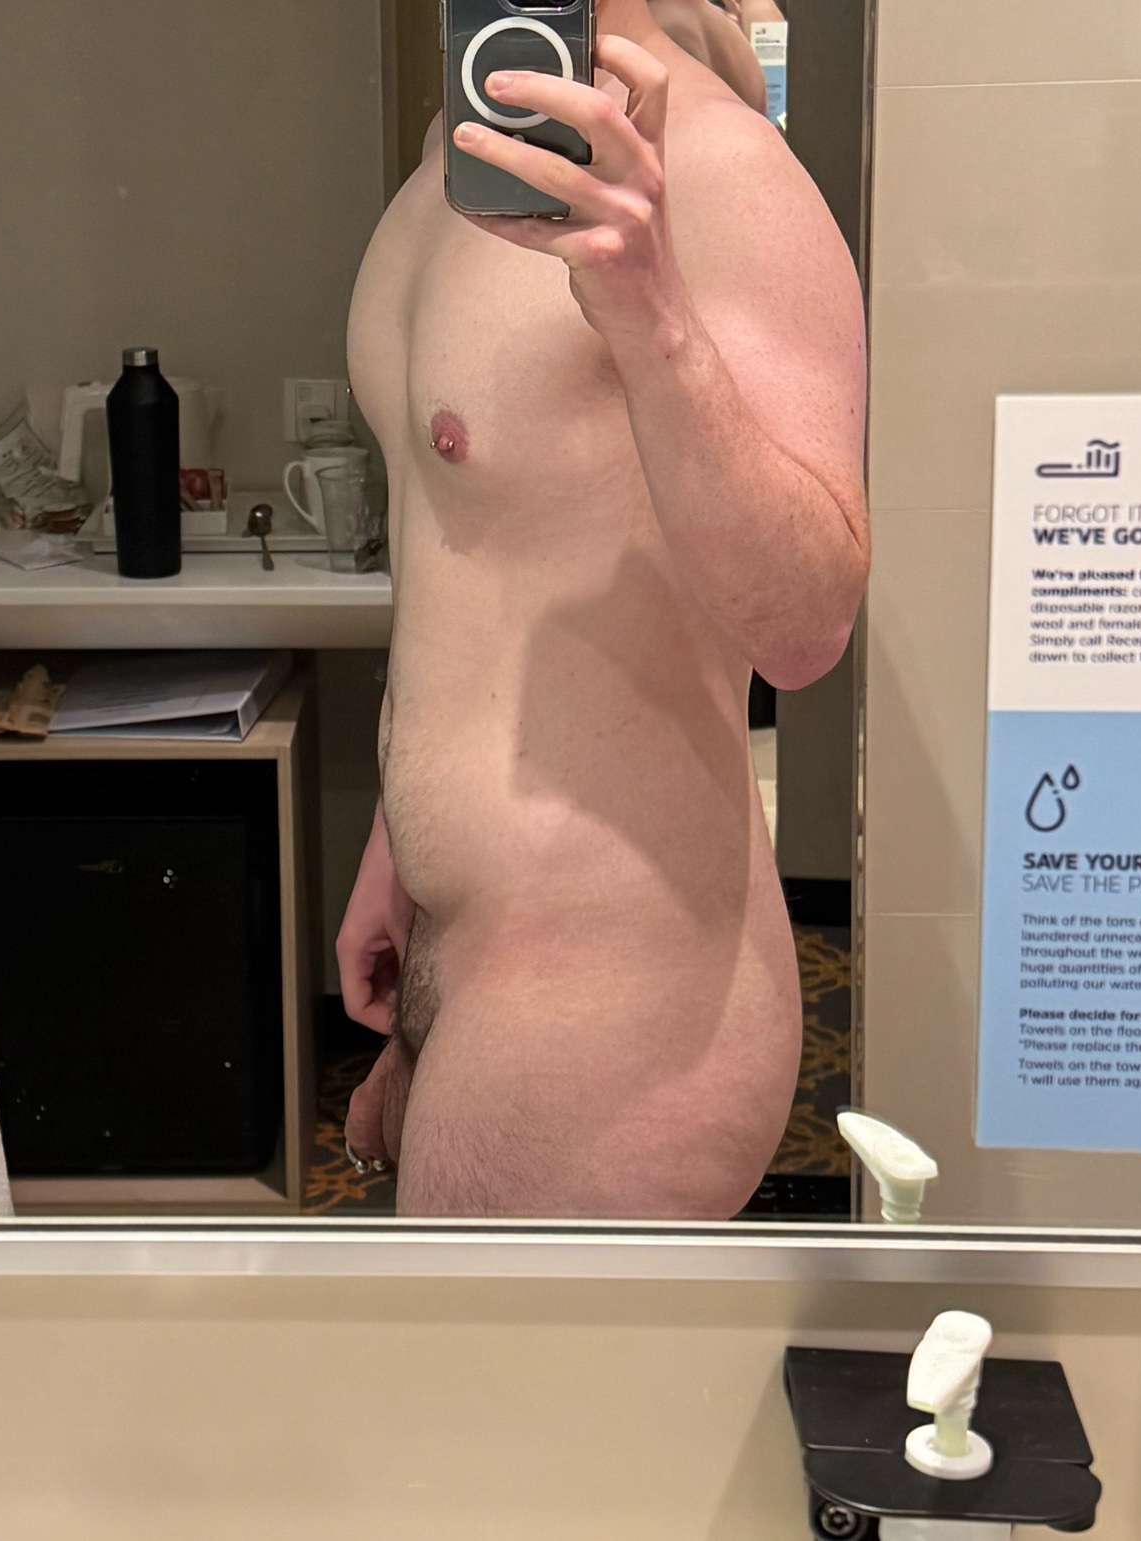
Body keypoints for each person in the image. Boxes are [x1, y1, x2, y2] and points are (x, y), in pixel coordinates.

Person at [337, 0, 868, 1218]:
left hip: (612, 1001)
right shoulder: (451, 156)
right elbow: (477, 557)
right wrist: (397, 844)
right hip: (466, 958)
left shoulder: (723, 174)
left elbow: (808, 626)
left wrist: (651, 312)